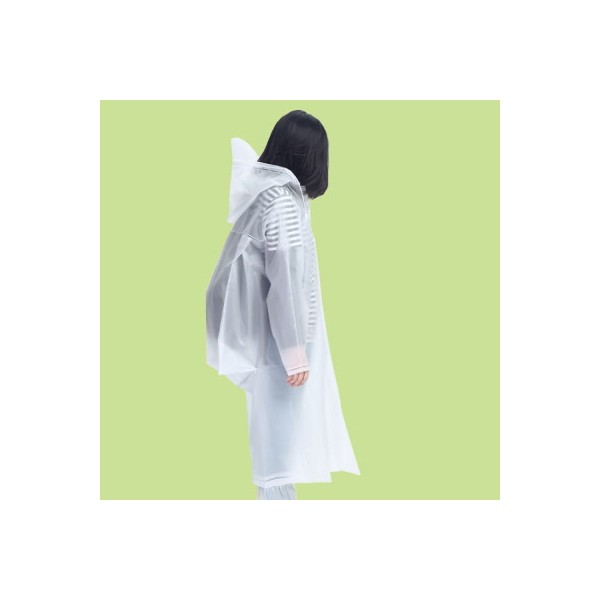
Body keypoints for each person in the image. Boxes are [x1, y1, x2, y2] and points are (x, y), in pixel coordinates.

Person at [206, 110, 360, 500]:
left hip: (266, 335)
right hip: (278, 342)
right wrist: (294, 352)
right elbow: (285, 281)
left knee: (276, 438)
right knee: (280, 444)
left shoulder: (267, 195)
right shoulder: (282, 204)